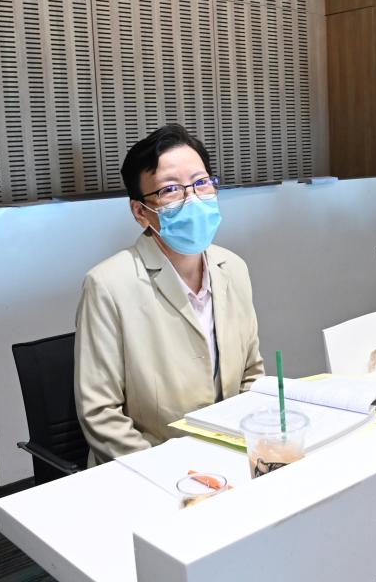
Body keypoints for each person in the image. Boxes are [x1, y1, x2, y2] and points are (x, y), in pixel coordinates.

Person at [75, 124, 265, 465]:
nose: (193, 199)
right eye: (171, 190)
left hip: (233, 459)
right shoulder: (108, 286)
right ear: (140, 212)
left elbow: (252, 374)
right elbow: (100, 414)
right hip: (153, 470)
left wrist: (252, 444)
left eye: (201, 182)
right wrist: (169, 472)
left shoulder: (234, 269)